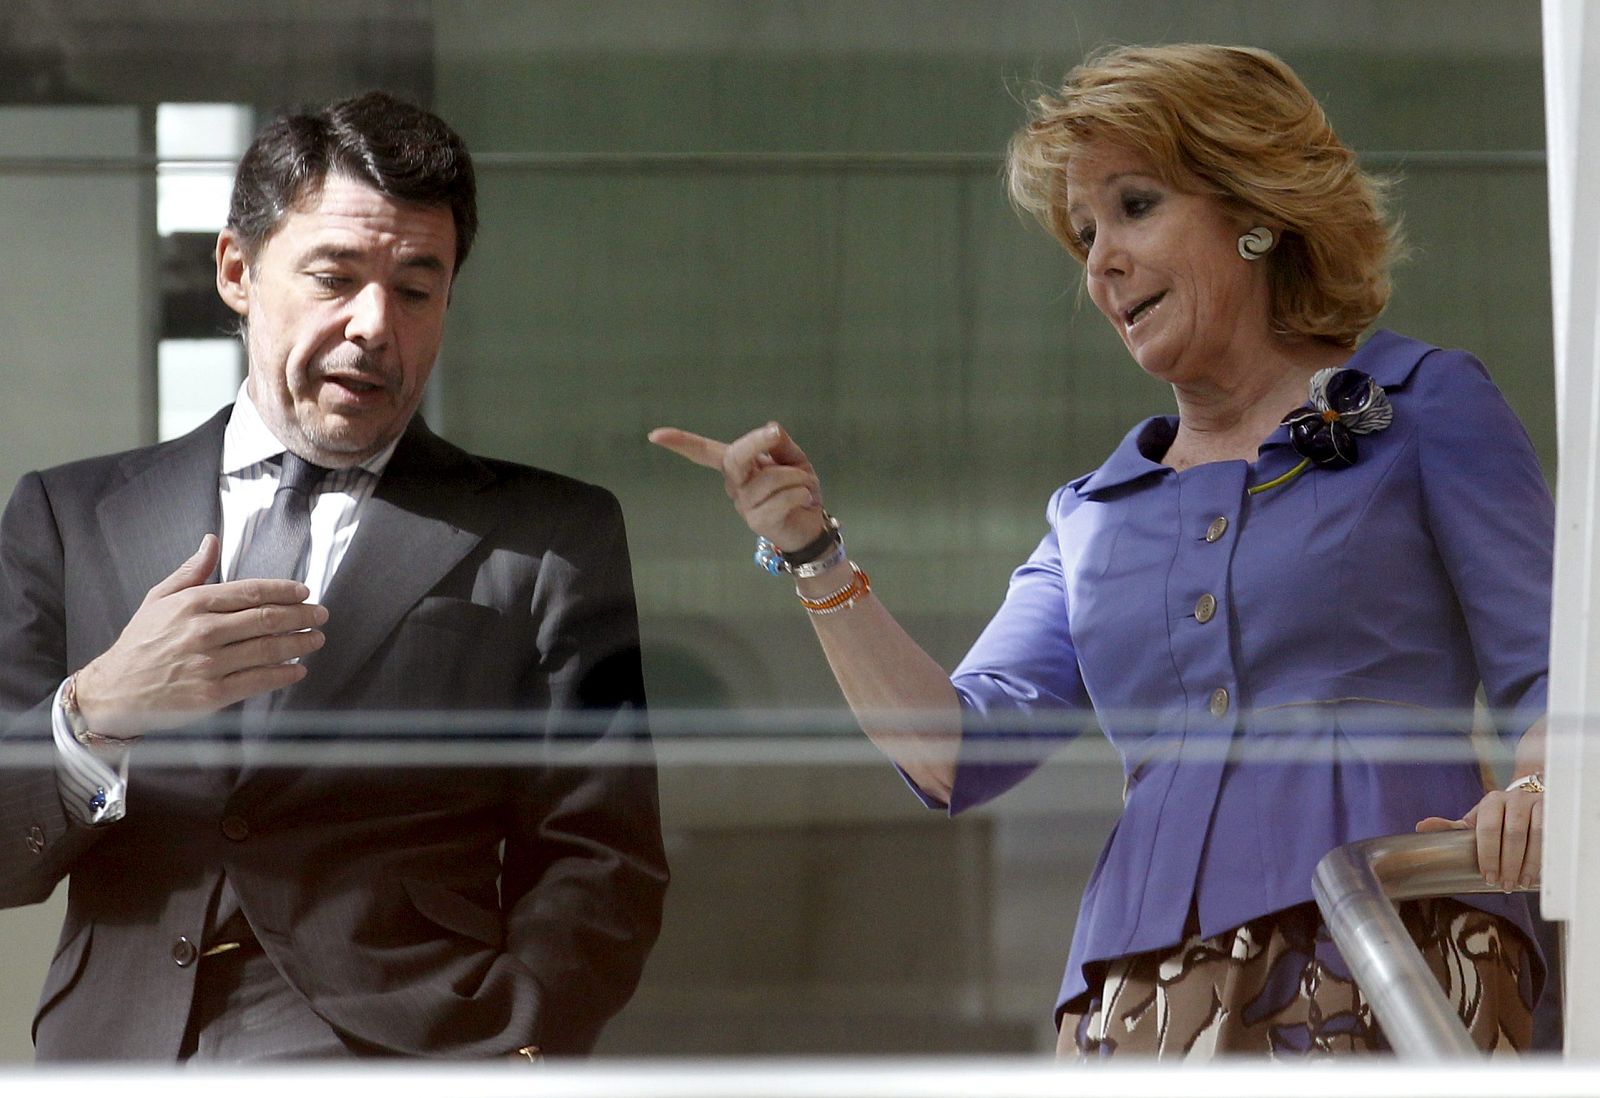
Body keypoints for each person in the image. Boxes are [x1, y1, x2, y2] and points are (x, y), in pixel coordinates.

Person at [651, 43, 1550, 1057]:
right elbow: (952, 752)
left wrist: (1536, 793)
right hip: (1144, 993)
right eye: (1084, 234)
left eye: (1134, 207)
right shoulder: (1093, 515)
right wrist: (810, 550)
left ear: (1255, 212)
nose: (1099, 263)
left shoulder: (1426, 404)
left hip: (1395, 937)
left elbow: (1550, 670)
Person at [0, 91, 667, 1062]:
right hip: (116, 1059)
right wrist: (98, 708)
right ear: (237, 270)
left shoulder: (549, 537)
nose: (373, 325)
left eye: (416, 290)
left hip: (405, 1058)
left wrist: (517, 1050)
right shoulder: (67, 518)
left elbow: (602, 857)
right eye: (335, 277)